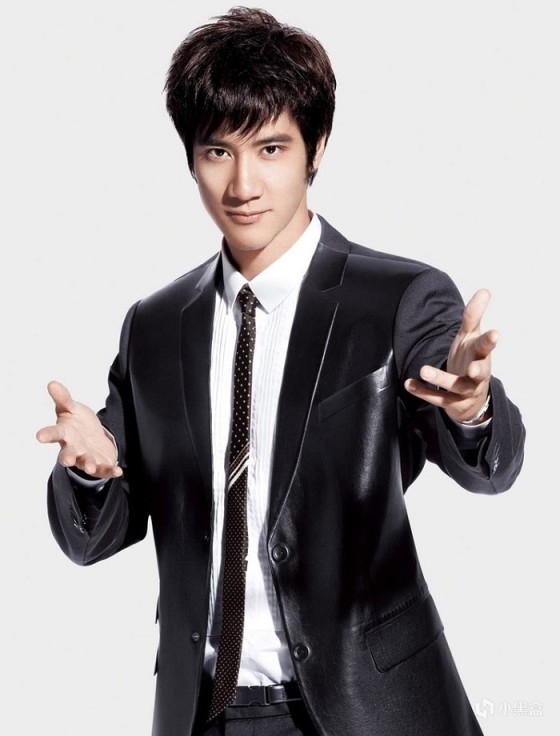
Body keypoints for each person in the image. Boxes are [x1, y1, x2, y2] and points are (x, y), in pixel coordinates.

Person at [37, 7, 525, 736]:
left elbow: (492, 471)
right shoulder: (155, 327)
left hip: (370, 711)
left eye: (270, 148)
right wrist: (86, 475)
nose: (243, 184)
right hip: (205, 713)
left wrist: (471, 410)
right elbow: (93, 539)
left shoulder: (397, 299)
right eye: (217, 151)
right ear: (190, 158)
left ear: (315, 147)